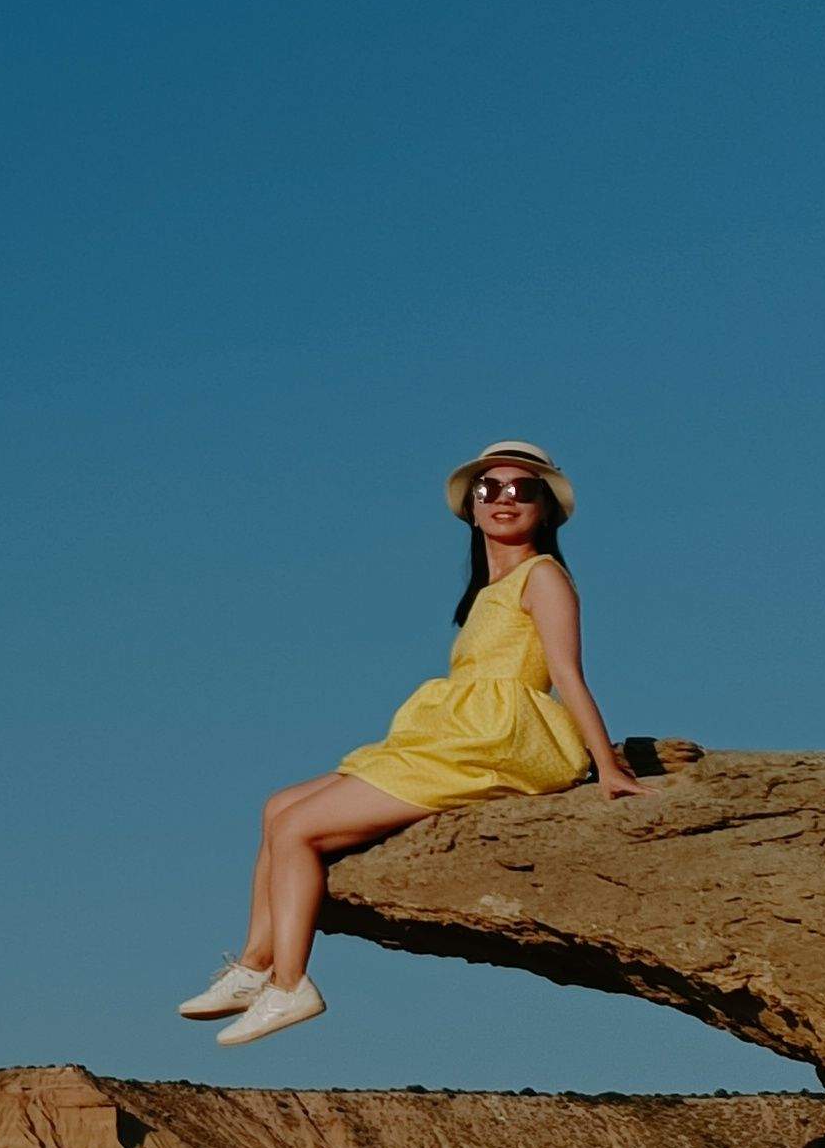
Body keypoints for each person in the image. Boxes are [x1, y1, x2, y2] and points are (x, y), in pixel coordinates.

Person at [181, 441, 643, 1049]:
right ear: (471, 511)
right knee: (276, 806)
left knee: (298, 830)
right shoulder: (488, 589)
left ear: (548, 511)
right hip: (456, 730)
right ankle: (254, 965)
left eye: (522, 489)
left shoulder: (544, 577)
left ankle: (290, 983)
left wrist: (606, 766)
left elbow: (568, 673)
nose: (503, 498)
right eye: (488, 489)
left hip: (494, 738)